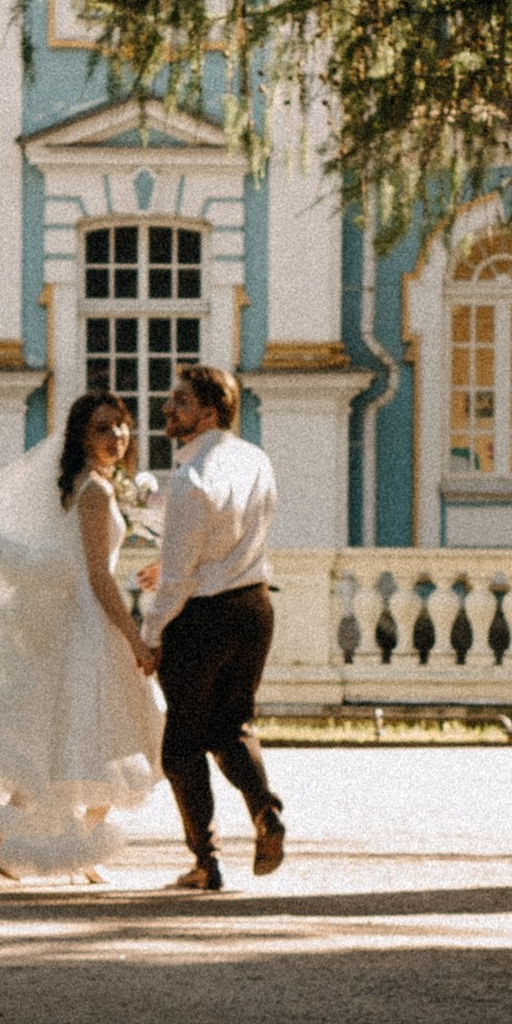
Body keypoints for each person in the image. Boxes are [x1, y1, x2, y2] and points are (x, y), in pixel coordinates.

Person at [0, 392, 166, 880]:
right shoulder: (95, 492)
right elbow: (97, 574)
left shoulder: (93, 484)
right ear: (81, 438)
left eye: (121, 425)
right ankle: (45, 840)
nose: (117, 435)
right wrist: (132, 637)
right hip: (90, 620)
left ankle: (44, 840)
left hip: (81, 617)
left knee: (77, 734)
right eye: (102, 428)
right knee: (115, 733)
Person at [138, 364, 286, 895]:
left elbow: (179, 578)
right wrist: (177, 566)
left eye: (179, 401)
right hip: (254, 606)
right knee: (233, 726)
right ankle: (266, 812)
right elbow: (235, 537)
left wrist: (150, 634)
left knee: (181, 745)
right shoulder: (255, 459)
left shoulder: (190, 479)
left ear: (209, 411)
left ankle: (206, 860)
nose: (166, 408)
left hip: (202, 618)